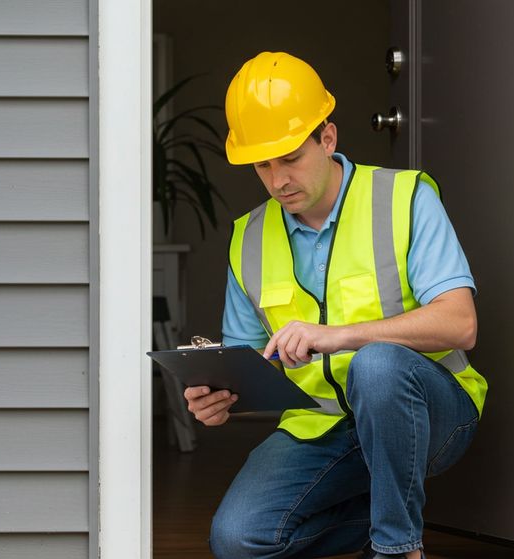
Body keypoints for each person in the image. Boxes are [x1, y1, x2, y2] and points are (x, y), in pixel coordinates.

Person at [183, 51, 488, 559]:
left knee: (377, 365)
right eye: (263, 164)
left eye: (290, 157)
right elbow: (246, 362)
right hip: (322, 423)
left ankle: (397, 549)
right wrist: (218, 401)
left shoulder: (405, 198)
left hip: (432, 411)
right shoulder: (248, 238)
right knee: (238, 539)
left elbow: (461, 324)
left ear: (327, 137)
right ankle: (394, 508)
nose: (278, 179)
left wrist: (340, 336)